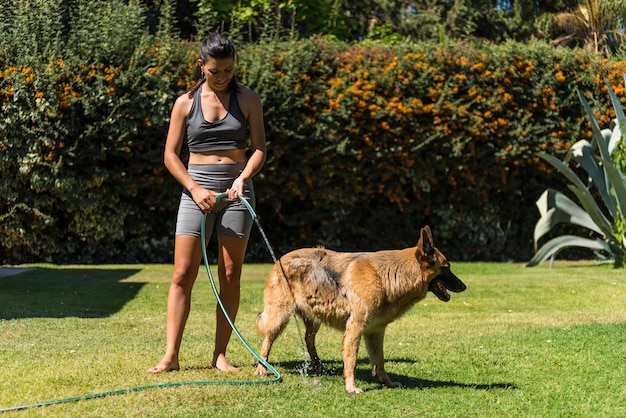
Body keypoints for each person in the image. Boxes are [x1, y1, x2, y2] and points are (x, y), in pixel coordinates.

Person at [149, 32, 266, 373]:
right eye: (215, 71)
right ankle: (171, 356)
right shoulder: (185, 103)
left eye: (228, 70)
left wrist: (243, 178)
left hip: (236, 192)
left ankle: (220, 354)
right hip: (195, 192)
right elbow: (170, 156)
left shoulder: (248, 99)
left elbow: (259, 149)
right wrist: (194, 188)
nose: (222, 76)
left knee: (230, 274)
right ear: (201, 65)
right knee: (183, 273)